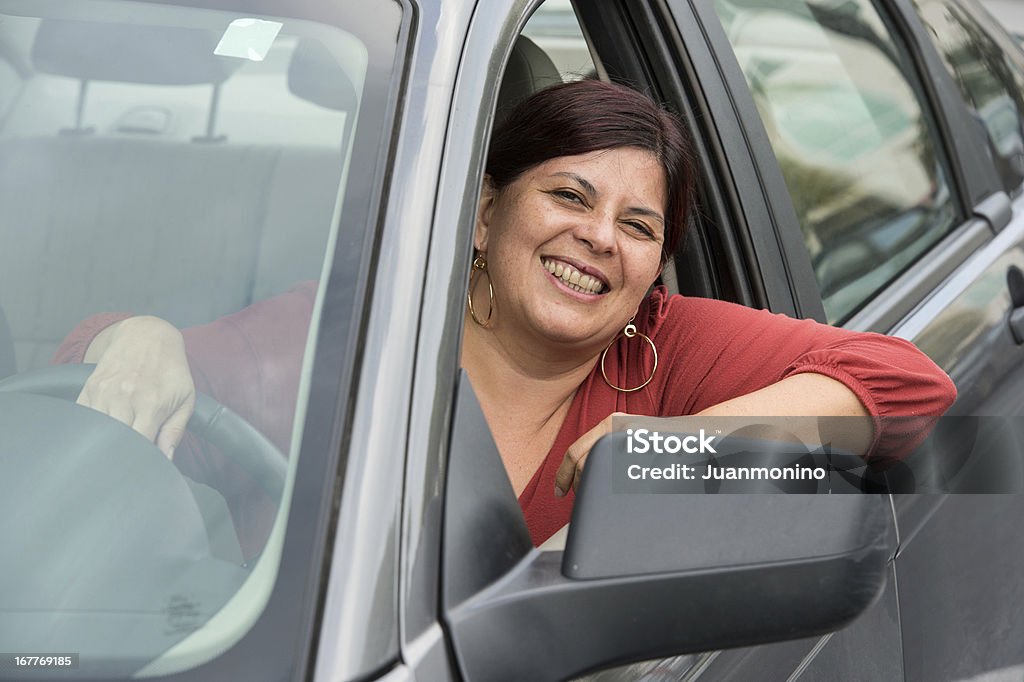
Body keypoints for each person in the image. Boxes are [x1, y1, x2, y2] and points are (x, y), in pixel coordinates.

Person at [55, 79, 957, 553]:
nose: (600, 238)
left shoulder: (667, 343)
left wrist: (675, 444)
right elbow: (96, 382)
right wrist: (140, 337)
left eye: (639, 226)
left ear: (653, 270)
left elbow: (913, 387)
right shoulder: (361, 332)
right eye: (569, 194)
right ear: (483, 215)